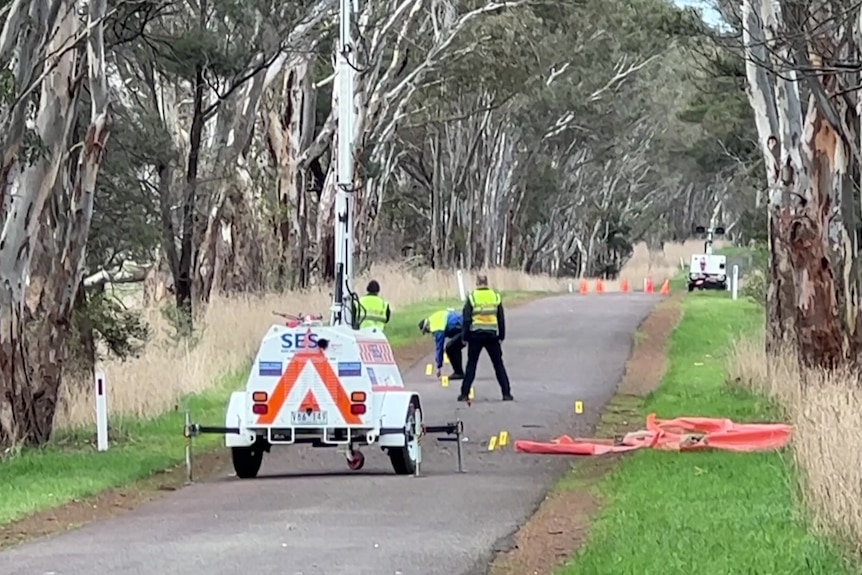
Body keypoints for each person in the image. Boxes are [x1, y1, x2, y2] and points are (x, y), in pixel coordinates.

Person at [459, 274, 513, 401]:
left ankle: (464, 393)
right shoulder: (495, 296)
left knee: (471, 364)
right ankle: (506, 393)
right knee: (498, 364)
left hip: (476, 335)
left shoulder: (472, 297)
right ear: (487, 283)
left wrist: (464, 336)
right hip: (492, 335)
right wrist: (502, 335)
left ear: (477, 283)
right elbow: (500, 317)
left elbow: (466, 318)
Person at [418, 309, 465, 380]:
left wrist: (439, 366)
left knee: (450, 348)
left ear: (427, 326)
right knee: (453, 347)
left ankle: (459, 373)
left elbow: (439, 347)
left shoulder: (436, 327)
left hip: (465, 328)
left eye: (427, 331)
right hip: (463, 326)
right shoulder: (434, 319)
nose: (429, 332)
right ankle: (459, 372)